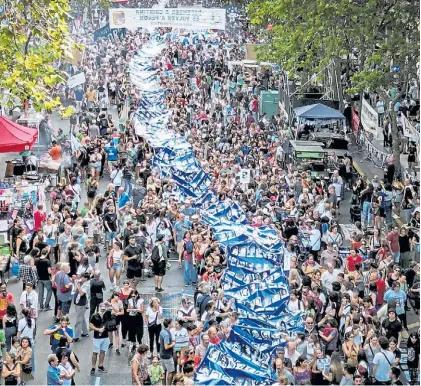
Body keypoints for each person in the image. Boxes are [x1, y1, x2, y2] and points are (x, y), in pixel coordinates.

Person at [89, 302, 111, 375]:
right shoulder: (94, 316)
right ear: (99, 308)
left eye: (104, 309)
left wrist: (109, 304)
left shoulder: (107, 314)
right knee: (95, 352)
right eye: (102, 309)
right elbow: (90, 325)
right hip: (97, 337)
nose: (103, 310)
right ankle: (93, 367)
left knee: (103, 351)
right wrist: (98, 329)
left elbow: (114, 311)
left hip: (105, 336)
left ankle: (100, 365)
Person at [73, 272, 90, 342]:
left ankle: (76, 336)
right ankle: (85, 332)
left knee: (79, 320)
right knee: (81, 317)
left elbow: (81, 293)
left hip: (81, 304)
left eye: (82, 277)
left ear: (86, 278)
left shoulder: (87, 285)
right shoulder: (83, 282)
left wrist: (79, 286)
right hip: (78, 302)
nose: (81, 278)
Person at [159, 318, 175, 386]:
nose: (173, 323)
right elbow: (166, 347)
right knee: (171, 372)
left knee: (163, 372)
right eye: (172, 322)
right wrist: (173, 344)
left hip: (162, 354)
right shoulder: (166, 334)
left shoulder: (162, 331)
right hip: (167, 356)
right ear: (169, 324)